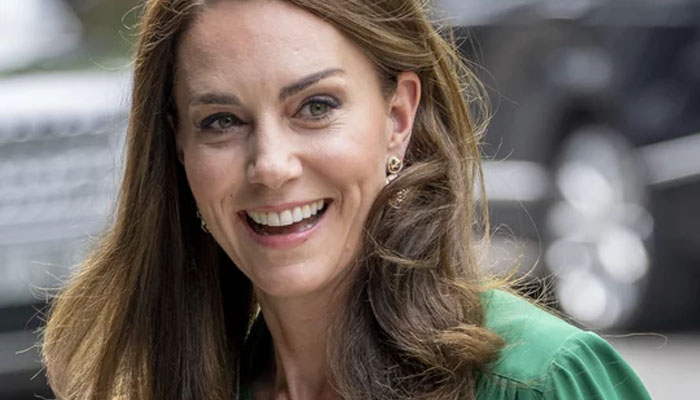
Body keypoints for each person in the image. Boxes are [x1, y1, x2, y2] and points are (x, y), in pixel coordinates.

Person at [42, 0, 651, 399]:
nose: (271, 167)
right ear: (179, 148)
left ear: (397, 117)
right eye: (222, 121)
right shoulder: (157, 387)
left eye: (315, 107)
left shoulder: (539, 383)